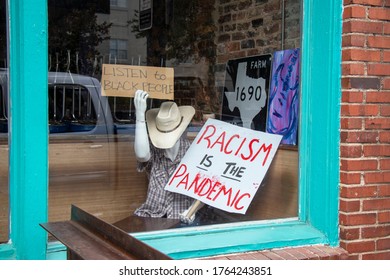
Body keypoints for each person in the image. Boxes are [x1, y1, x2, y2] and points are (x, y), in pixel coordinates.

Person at [133, 89, 198, 221]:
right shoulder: (154, 150)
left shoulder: (193, 152)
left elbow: (204, 189)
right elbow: (141, 155)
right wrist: (140, 118)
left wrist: (193, 210)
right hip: (152, 217)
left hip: (181, 218)